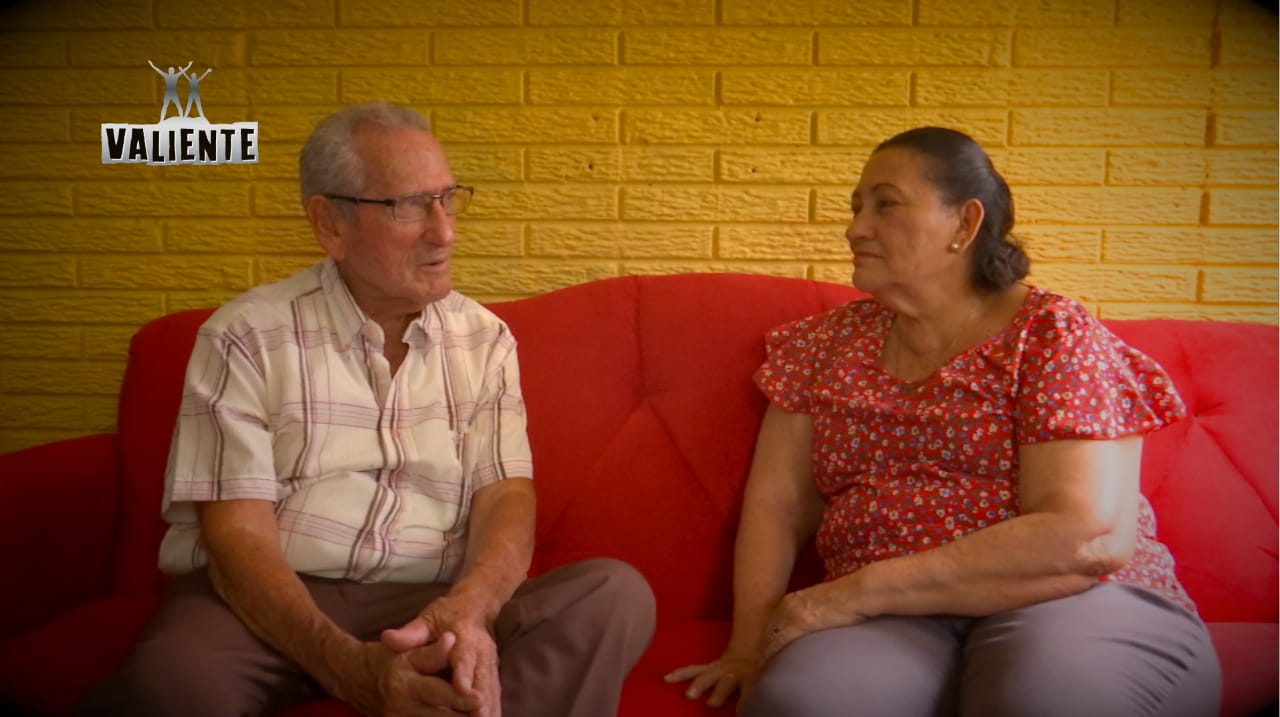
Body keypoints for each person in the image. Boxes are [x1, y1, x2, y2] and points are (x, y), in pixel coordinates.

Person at [79, 100, 656, 717]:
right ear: (331, 224)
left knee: (613, 594)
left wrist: (471, 607)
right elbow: (237, 534)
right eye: (410, 205)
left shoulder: (483, 339)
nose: (445, 231)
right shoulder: (245, 335)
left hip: (428, 602)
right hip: (266, 599)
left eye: (448, 197)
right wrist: (350, 668)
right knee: (169, 683)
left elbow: (506, 495)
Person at [666, 127, 1221, 717]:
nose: (855, 228)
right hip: (886, 621)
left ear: (965, 224)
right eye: (856, 208)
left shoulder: (1051, 334)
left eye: (886, 204)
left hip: (1069, 599)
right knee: (803, 703)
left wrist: (852, 593)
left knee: (1048, 701)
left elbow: (1081, 536)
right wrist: (750, 648)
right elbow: (779, 504)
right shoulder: (821, 346)